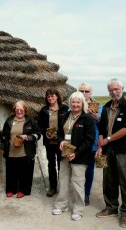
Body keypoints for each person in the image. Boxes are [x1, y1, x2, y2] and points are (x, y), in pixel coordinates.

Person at [95, 78, 126, 228]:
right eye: (111, 90)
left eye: (116, 89)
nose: (114, 92)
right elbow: (101, 128)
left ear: (122, 89)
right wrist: (101, 145)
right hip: (107, 150)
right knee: (108, 180)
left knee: (125, 182)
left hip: (123, 151)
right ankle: (111, 207)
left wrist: (108, 139)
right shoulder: (107, 106)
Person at [52, 91, 95, 221]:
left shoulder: (87, 119)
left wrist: (76, 153)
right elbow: (59, 133)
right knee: (63, 180)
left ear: (82, 103)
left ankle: (78, 209)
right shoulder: (65, 115)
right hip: (64, 154)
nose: (75, 104)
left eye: (78, 102)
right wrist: (61, 141)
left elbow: (89, 140)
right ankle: (61, 205)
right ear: (70, 103)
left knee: (78, 183)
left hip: (79, 156)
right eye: (73, 102)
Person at [1, 100, 41, 198]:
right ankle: (11, 189)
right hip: (11, 151)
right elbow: (4, 135)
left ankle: (23, 190)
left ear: (25, 110)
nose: (19, 112)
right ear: (14, 110)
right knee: (11, 172)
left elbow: (38, 134)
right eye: (17, 110)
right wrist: (2, 147)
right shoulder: (9, 120)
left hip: (25, 151)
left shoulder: (31, 121)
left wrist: (28, 137)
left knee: (25, 172)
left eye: (21, 110)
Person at [38, 88, 69, 197]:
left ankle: (63, 187)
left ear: (57, 96)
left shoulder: (65, 109)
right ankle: (53, 187)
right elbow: (40, 125)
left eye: (52, 96)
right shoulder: (44, 110)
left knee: (62, 165)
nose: (50, 98)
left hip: (61, 142)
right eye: (48, 96)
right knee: (51, 164)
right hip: (49, 142)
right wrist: (44, 133)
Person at [78, 83, 103, 206]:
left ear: (90, 93)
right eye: (81, 90)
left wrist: (96, 117)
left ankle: (86, 193)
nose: (84, 93)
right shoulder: (75, 104)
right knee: (77, 170)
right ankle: (78, 192)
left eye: (86, 91)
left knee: (89, 170)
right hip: (77, 143)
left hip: (92, 143)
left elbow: (103, 125)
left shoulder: (98, 106)